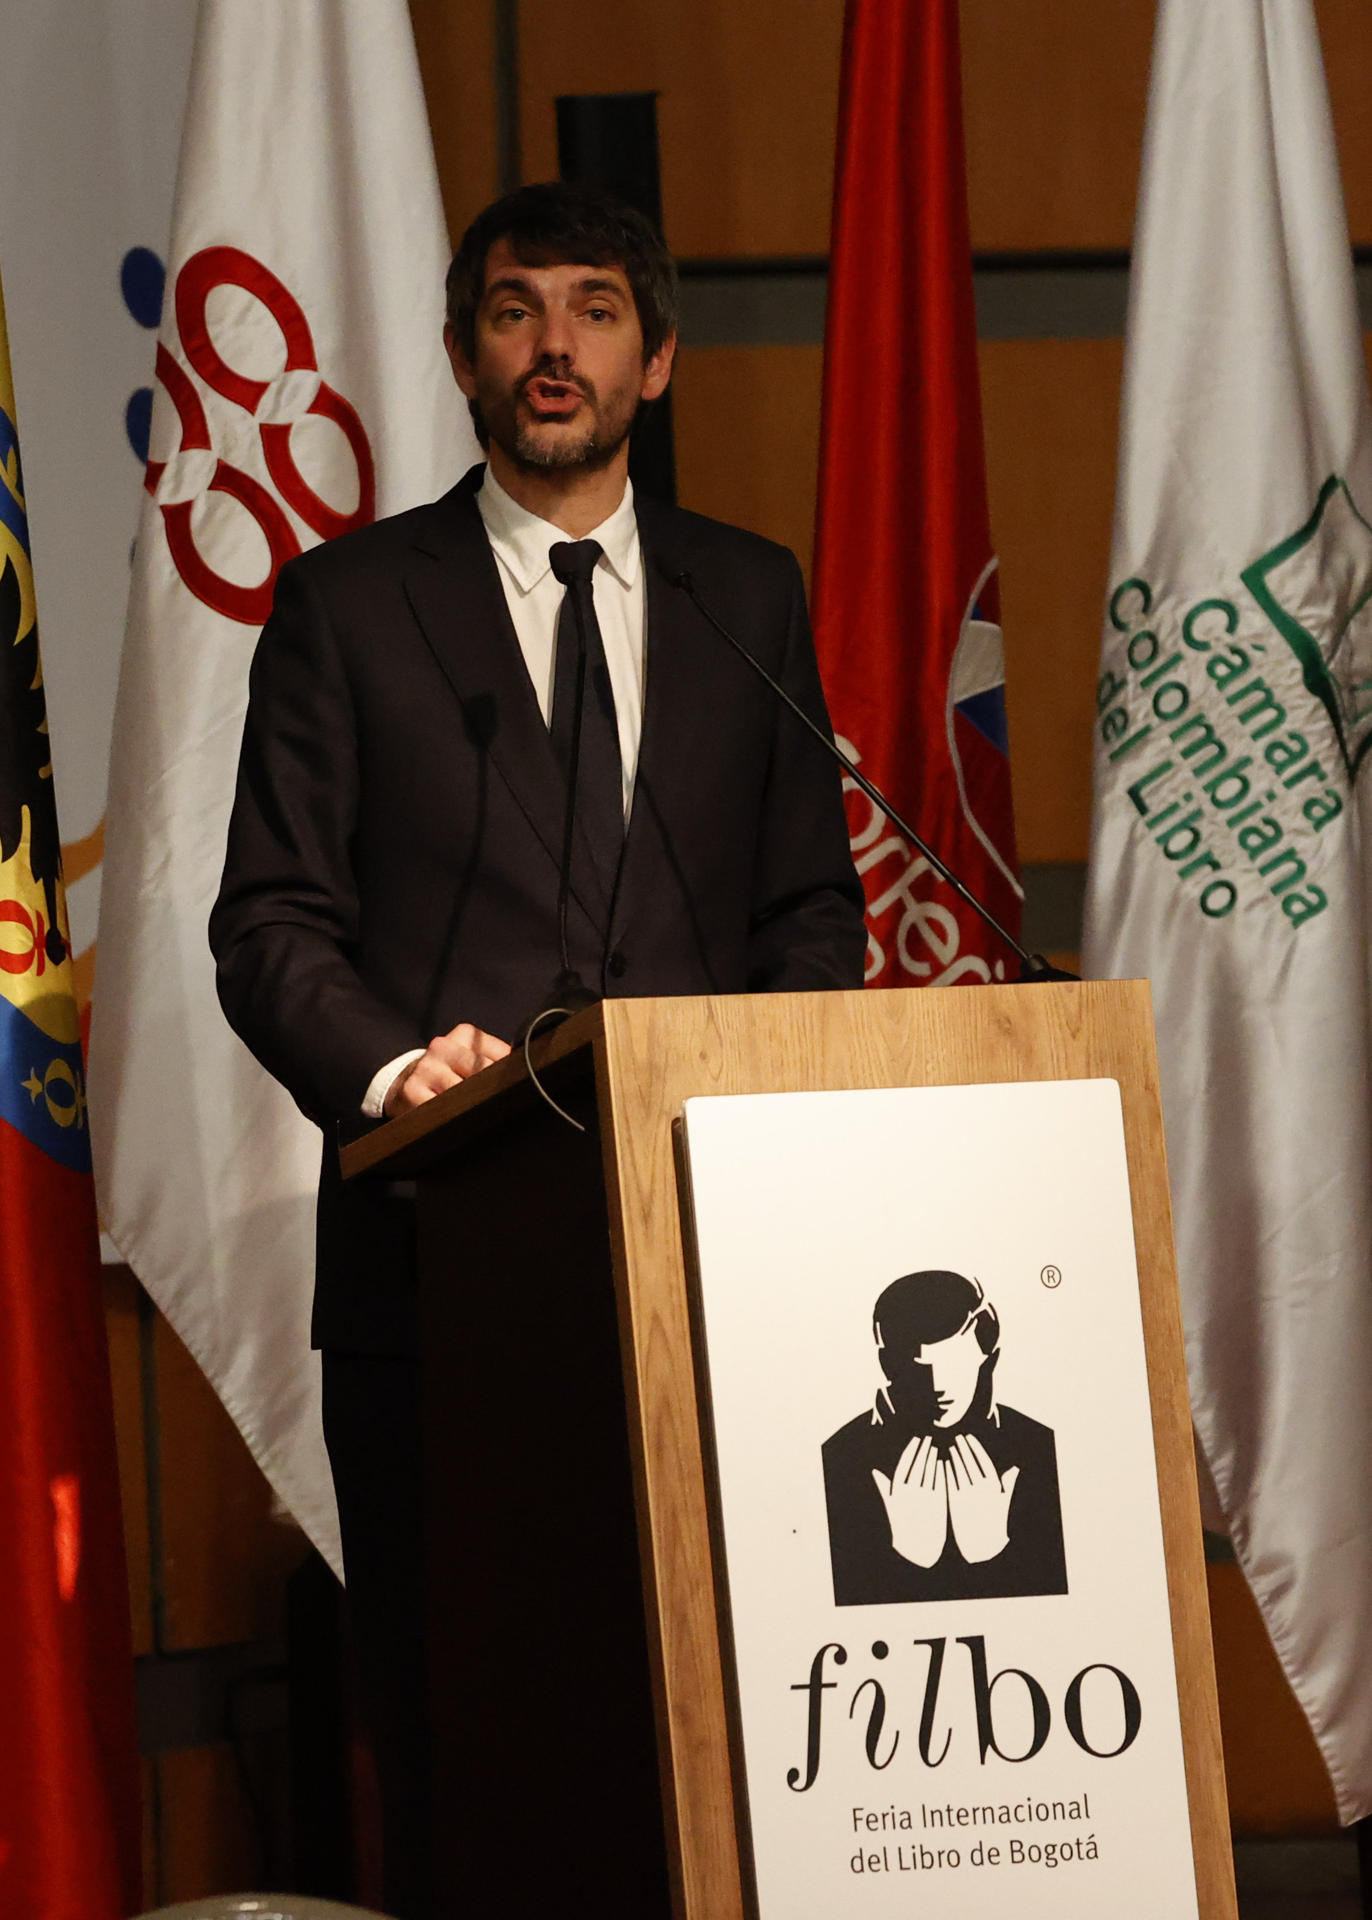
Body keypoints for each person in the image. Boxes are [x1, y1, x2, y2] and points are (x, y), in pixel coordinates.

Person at [209, 181, 865, 1916]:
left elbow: (811, 915)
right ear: (458, 354)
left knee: (717, 1731)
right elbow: (269, 926)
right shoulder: (349, 609)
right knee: (465, 1742)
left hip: (712, 1274)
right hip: (443, 1273)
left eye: (591, 309)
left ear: (656, 358)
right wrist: (393, 1074)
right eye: (513, 310)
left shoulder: (747, 596)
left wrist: (753, 1096)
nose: (551, 343)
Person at [822, 1269, 1067, 1605]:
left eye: (953, 1362)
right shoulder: (839, 1458)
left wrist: (992, 1553)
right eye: (918, 1368)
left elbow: (1063, 1608)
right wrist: (906, 1559)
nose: (938, 1385)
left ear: (987, 1355)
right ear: (888, 1365)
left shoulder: (1040, 1448)